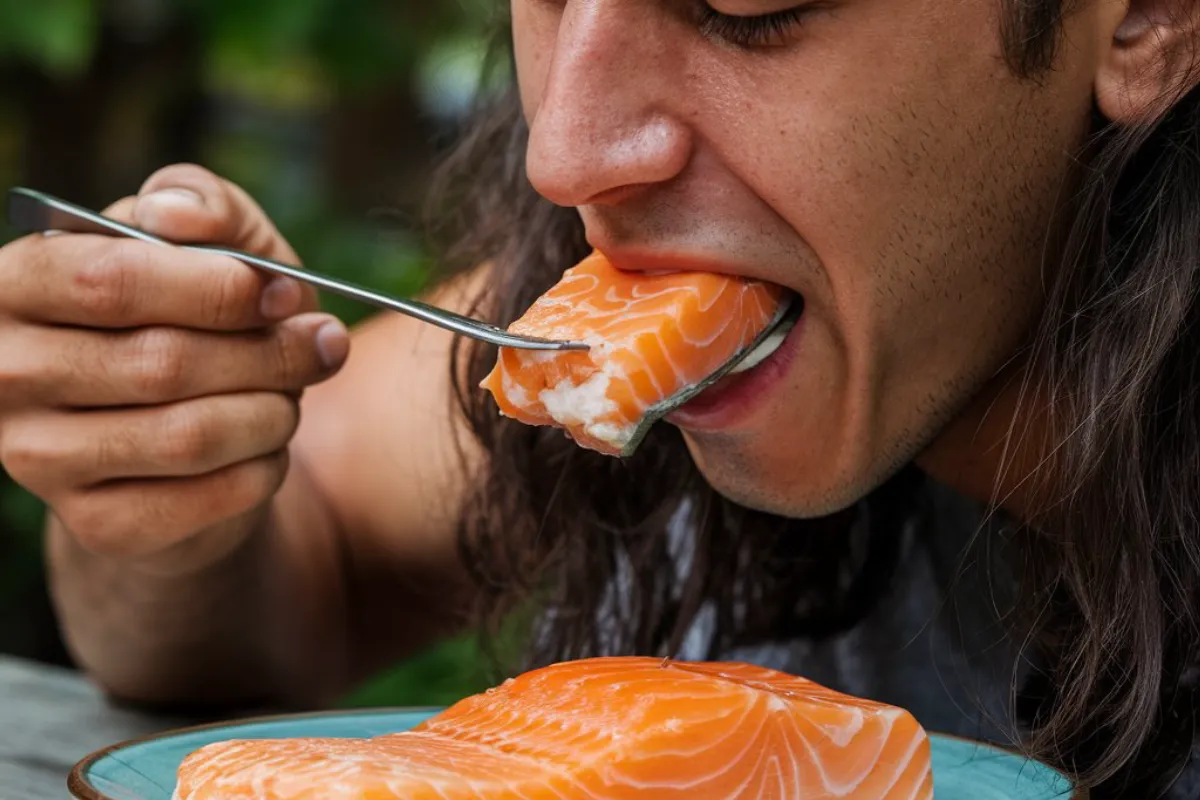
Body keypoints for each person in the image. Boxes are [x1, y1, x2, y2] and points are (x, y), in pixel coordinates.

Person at [1, 0, 1197, 795]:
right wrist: (174, 475)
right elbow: (297, 535)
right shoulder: (602, 325)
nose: (564, 155)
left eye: (743, 8)